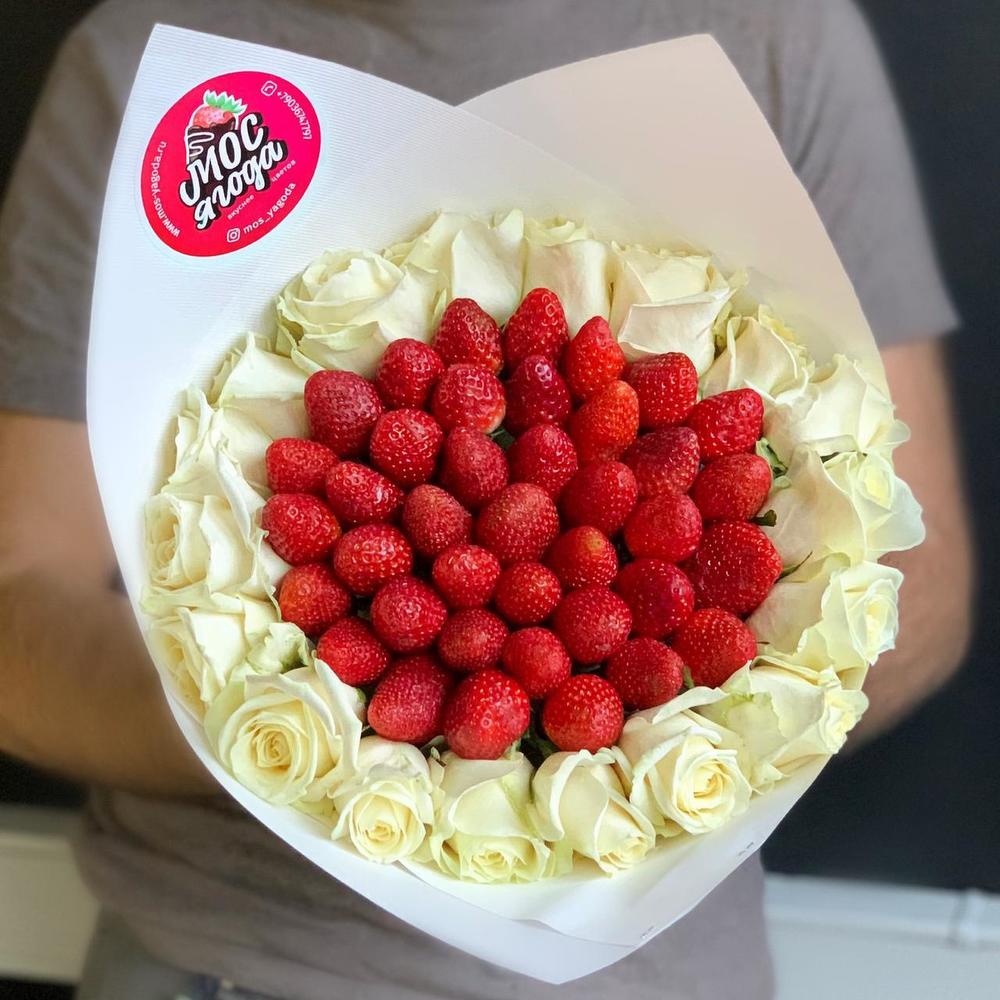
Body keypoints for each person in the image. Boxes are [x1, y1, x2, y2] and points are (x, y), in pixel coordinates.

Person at [0, 1, 973, 998]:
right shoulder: (140, 58)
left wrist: (672, 717)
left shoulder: (775, 32)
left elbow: (922, 578)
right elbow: (15, 619)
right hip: (219, 962)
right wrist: (287, 713)